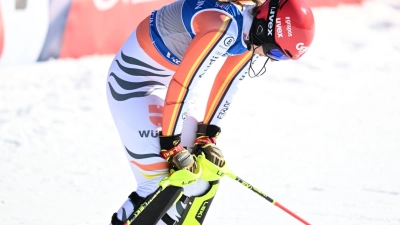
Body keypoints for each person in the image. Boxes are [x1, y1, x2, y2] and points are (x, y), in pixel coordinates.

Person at [106, 0, 315, 224]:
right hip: (133, 85)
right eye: (276, 52)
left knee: (204, 178)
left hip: (166, 86)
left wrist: (208, 134)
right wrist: (171, 144)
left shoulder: (251, 29)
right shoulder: (223, 27)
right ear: (265, 28)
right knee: (159, 186)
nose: (271, 58)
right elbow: (184, 83)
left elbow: (228, 81)